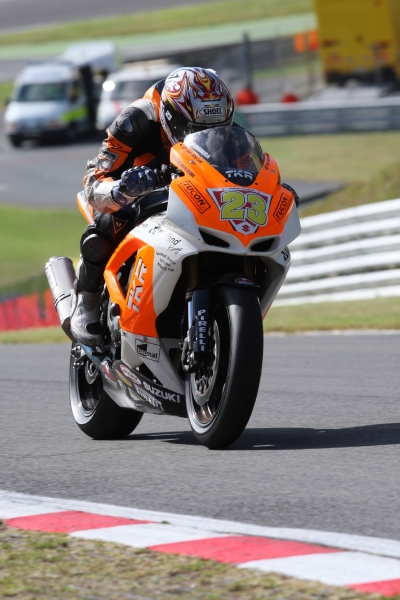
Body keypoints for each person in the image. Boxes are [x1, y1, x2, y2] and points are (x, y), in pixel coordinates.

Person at [70, 66, 235, 346]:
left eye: (215, 128)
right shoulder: (135, 121)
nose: (208, 134)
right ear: (170, 116)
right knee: (112, 219)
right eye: (195, 128)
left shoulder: (222, 124)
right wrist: (122, 189)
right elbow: (95, 179)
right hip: (133, 184)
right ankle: (87, 302)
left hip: (188, 187)